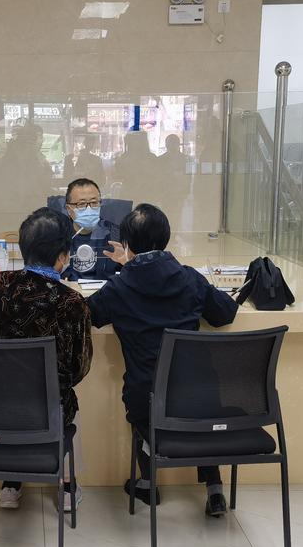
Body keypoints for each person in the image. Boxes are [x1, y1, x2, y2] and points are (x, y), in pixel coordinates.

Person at [87, 203, 238, 517]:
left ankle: (148, 482)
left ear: (127, 244)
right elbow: (224, 314)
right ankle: (214, 488)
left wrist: (126, 268)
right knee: (198, 409)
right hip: (198, 393)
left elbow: (90, 314)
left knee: (141, 406)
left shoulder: (119, 287)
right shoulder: (189, 278)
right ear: (167, 238)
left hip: (147, 397)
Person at [0, 207, 93, 511]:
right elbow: (78, 368)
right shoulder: (71, 302)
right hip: (45, 412)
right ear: (63, 256)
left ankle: (11, 483)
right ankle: (67, 486)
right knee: (66, 399)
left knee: (14, 395)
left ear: (23, 248)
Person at [62, 178, 121, 282]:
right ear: (68, 209)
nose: (89, 208)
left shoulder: (115, 235)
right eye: (81, 204)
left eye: (94, 202)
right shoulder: (59, 236)